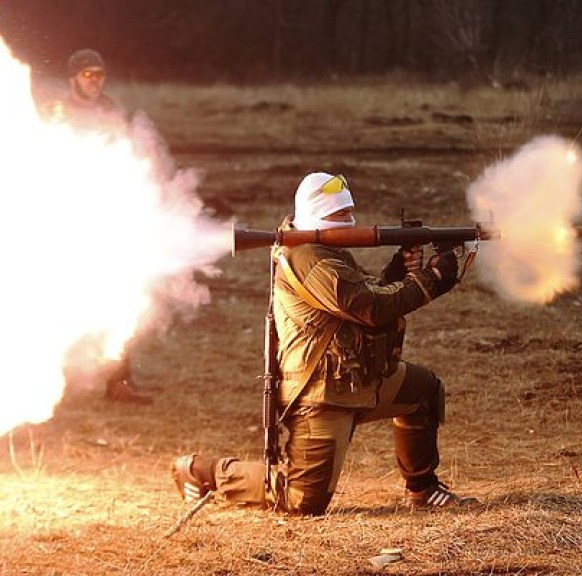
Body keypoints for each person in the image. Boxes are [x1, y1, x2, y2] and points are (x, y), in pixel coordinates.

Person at [172, 172, 477, 515]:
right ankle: (202, 471)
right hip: (322, 392)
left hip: (357, 377)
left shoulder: (323, 249)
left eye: (348, 213)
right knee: (300, 502)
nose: (348, 223)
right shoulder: (308, 257)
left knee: (423, 391)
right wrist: (432, 279)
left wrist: (394, 274)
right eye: (337, 217)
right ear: (316, 218)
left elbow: (353, 301)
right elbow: (371, 309)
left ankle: (422, 489)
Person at [49, 49, 152, 405]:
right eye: (88, 75)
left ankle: (119, 381)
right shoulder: (60, 114)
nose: (95, 81)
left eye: (99, 74)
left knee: (118, 295)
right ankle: (51, 376)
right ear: (73, 77)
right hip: (71, 217)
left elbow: (128, 150)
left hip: (109, 213)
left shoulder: (110, 110)